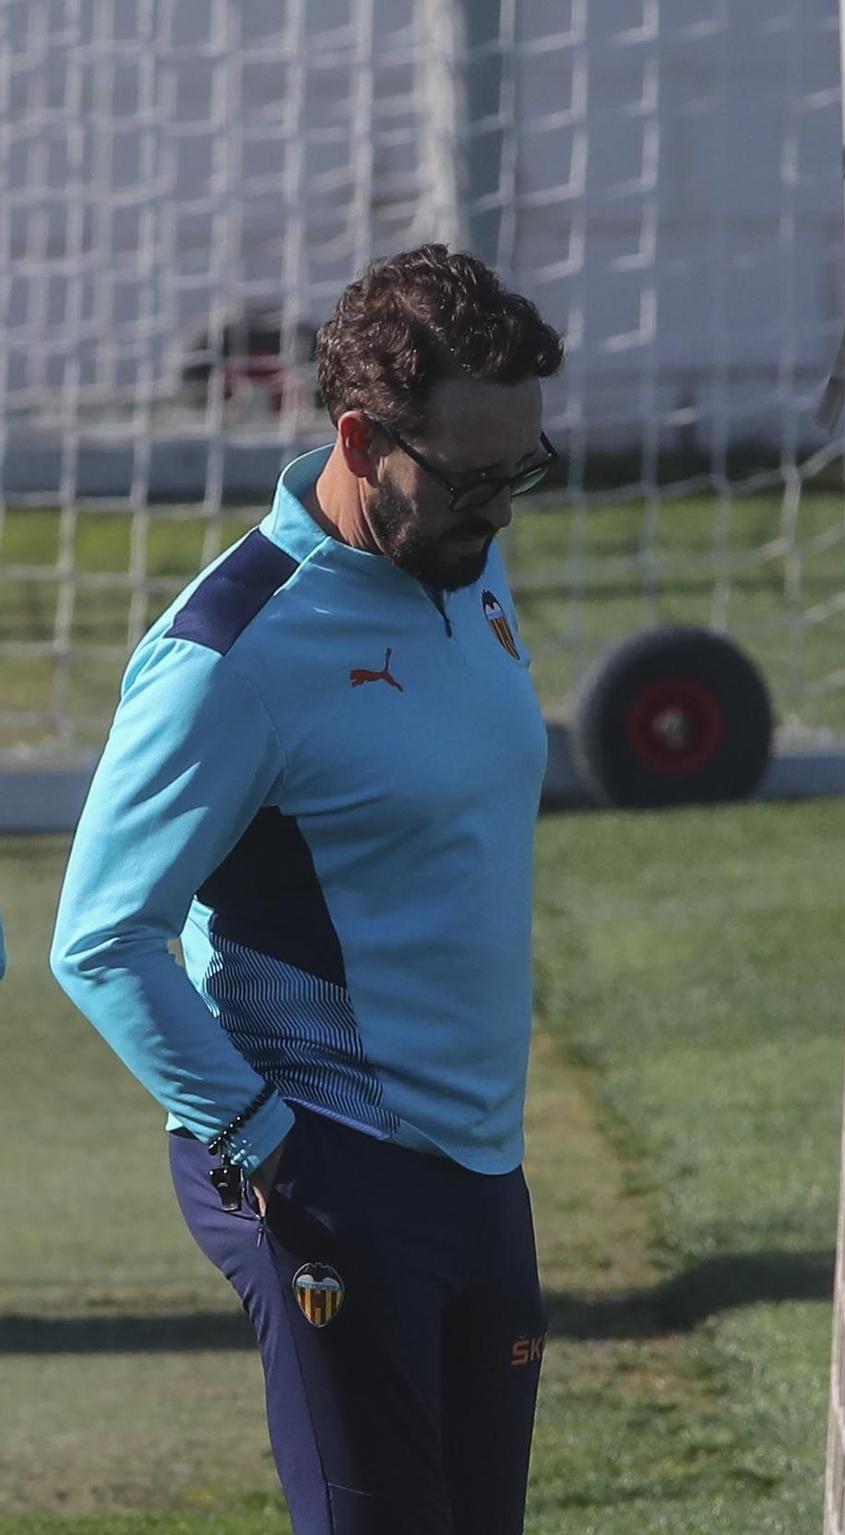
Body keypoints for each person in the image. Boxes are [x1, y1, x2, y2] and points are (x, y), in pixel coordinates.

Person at [51, 245, 564, 1534]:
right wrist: (271, 1147)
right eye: (474, 480)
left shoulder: (460, 560)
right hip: (332, 1164)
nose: (501, 512)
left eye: (524, 472)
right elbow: (104, 937)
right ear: (358, 437)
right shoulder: (232, 655)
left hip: (478, 1162)